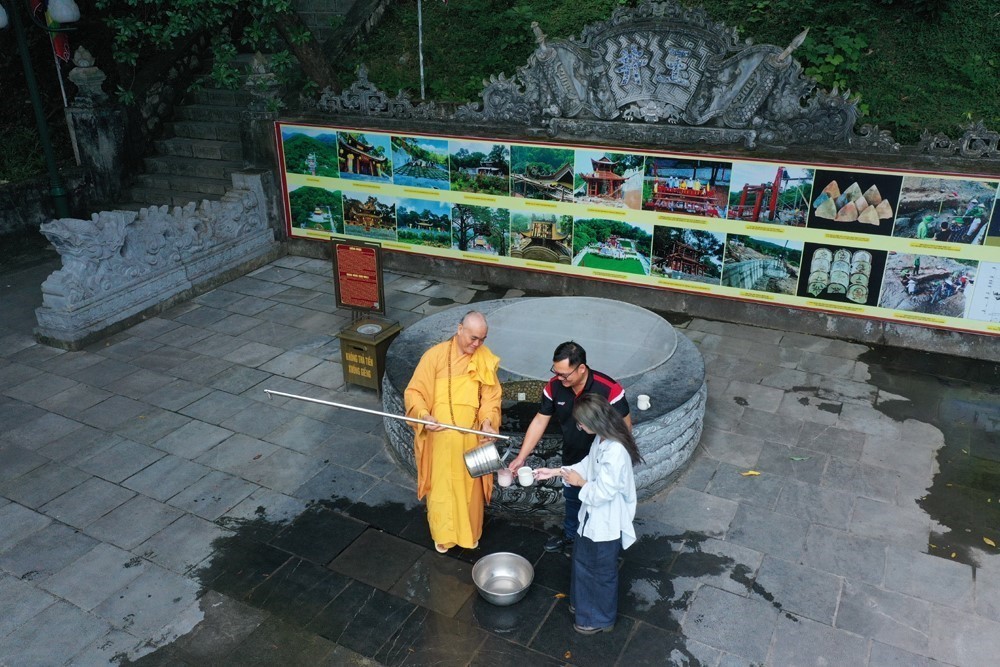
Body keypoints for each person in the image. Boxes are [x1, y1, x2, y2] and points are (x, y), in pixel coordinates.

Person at [508, 341, 630, 554]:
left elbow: (625, 426)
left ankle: (605, 548)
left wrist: (612, 457)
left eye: (565, 375)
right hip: (574, 456)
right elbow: (539, 421)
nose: (559, 379)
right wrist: (521, 457)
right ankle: (572, 537)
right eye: (556, 372)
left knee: (604, 505)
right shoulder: (554, 386)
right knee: (573, 500)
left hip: (603, 460)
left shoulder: (608, 388)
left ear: (581, 368)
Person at [534, 393, 641, 635]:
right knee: (583, 563)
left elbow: (602, 492)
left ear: (595, 421)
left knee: (600, 572)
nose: (579, 426)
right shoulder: (602, 440)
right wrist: (554, 472)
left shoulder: (615, 452)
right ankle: (583, 606)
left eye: (581, 422)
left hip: (606, 523)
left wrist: (580, 482)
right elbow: (586, 465)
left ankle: (600, 618)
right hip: (592, 519)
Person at [404, 311, 501, 553]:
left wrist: (488, 422)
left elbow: (491, 398)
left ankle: (470, 534)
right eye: (473, 338)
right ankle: (443, 535)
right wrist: (424, 416)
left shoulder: (484, 358)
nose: (477, 344)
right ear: (459, 330)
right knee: (442, 490)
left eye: (482, 339)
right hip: (439, 439)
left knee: (471, 493)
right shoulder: (434, 356)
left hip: (471, 438)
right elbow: (414, 392)